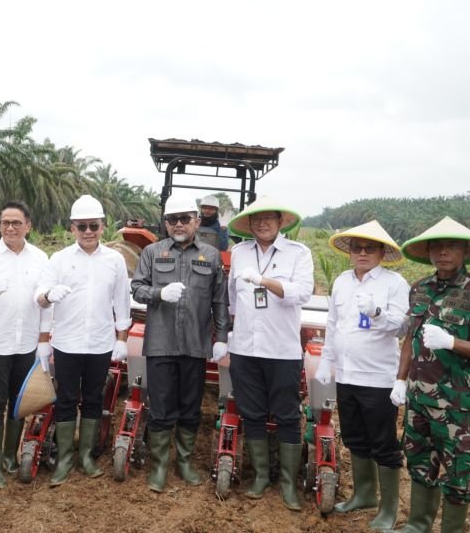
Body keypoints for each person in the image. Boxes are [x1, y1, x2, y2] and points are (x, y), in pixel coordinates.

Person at [391, 217, 470, 532]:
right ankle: (417, 525)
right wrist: (400, 379)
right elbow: (410, 340)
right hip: (418, 399)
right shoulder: (420, 289)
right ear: (427, 251)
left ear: (465, 250)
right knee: (419, 464)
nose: (443, 252)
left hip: (457, 405)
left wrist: (452, 342)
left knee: (458, 473)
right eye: (436, 246)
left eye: (451, 245)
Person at [313, 220, 409, 530]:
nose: (363, 252)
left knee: (383, 442)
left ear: (383, 252)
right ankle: (364, 494)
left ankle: (388, 509)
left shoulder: (394, 284)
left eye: (370, 248)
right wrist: (327, 361)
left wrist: (377, 313)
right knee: (355, 437)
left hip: (378, 377)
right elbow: (333, 325)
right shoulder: (342, 281)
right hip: (346, 374)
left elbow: (403, 328)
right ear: (350, 252)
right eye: (357, 247)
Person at [131, 194, 229, 493]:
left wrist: (222, 338)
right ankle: (159, 466)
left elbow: (219, 301)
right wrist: (159, 294)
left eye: (185, 218)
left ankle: (183, 462)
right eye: (172, 219)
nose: (179, 224)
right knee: (160, 408)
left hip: (195, 344)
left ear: (197, 221)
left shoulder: (211, 256)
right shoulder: (151, 251)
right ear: (165, 223)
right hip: (161, 343)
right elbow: (137, 289)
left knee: (190, 407)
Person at [36, 195, 131, 487]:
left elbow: (122, 302)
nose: (88, 231)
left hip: (100, 343)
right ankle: (65, 459)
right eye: (82, 226)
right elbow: (39, 296)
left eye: (93, 225)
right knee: (66, 399)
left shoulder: (115, 260)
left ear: (103, 227)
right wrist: (49, 295)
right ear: (72, 227)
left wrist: (122, 339)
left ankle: (86, 457)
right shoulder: (59, 259)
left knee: (93, 399)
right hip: (67, 342)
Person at [226, 196, 313, 510]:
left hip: (281, 348)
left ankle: (288, 484)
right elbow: (233, 299)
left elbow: (301, 292)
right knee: (252, 413)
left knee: (288, 414)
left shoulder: (297, 253)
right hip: (246, 348)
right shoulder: (240, 253)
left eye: (268, 218)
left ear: (280, 222)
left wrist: (265, 281)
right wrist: (229, 334)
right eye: (256, 219)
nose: (262, 223)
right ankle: (262, 476)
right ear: (249, 224)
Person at [0, 201, 52, 489]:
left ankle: (9, 457)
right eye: (5, 222)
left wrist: (43, 340)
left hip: (27, 343)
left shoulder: (41, 258)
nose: (10, 227)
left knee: (18, 404)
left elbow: (46, 303)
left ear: (28, 225)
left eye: (16, 222)